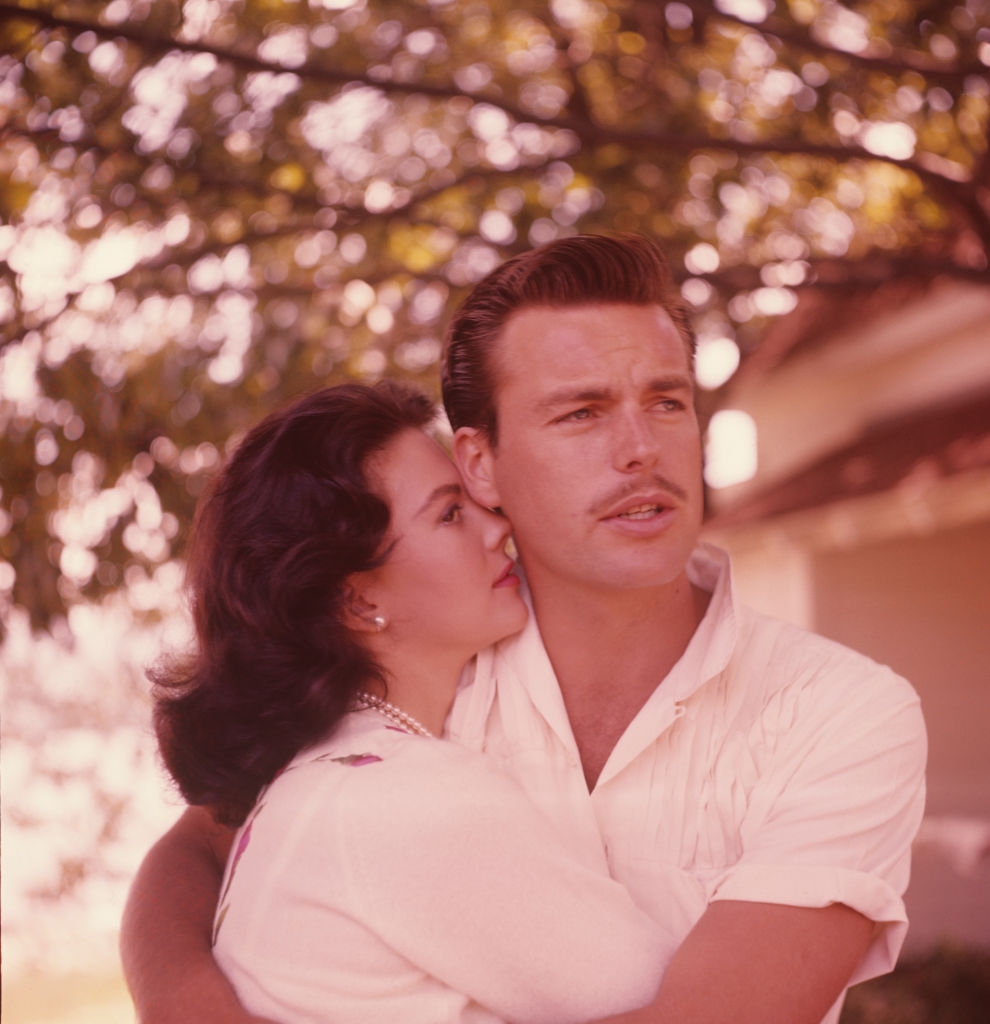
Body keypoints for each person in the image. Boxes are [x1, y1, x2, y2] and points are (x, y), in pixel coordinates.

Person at [121, 235, 927, 1024]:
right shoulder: (421, 677)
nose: (641, 448)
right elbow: (201, 845)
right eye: (581, 413)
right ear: (478, 464)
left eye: (666, 401)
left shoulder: (842, 714)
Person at [148, 379, 675, 1023]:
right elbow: (678, 999)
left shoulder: (321, 780)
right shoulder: (405, 801)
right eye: (450, 513)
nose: (497, 522)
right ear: (359, 600)